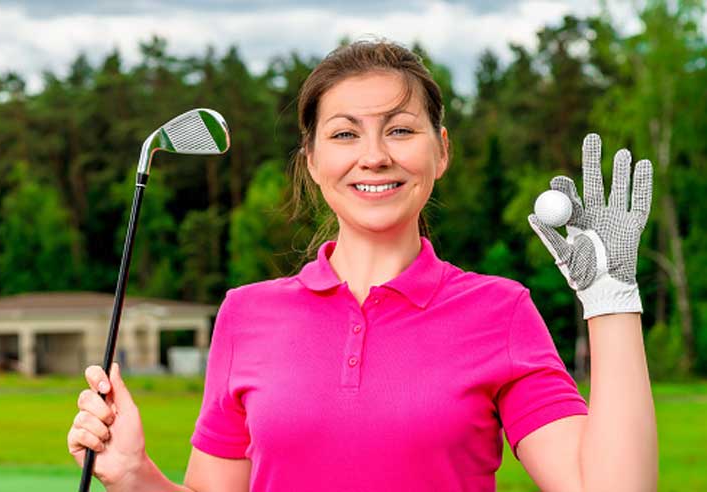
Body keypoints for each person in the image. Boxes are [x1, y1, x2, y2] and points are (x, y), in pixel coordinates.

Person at [67, 39, 658, 491]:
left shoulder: (499, 311)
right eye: (346, 134)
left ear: (441, 150)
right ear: (312, 160)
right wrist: (137, 474)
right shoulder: (246, 314)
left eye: (400, 130)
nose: (374, 157)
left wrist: (611, 301)